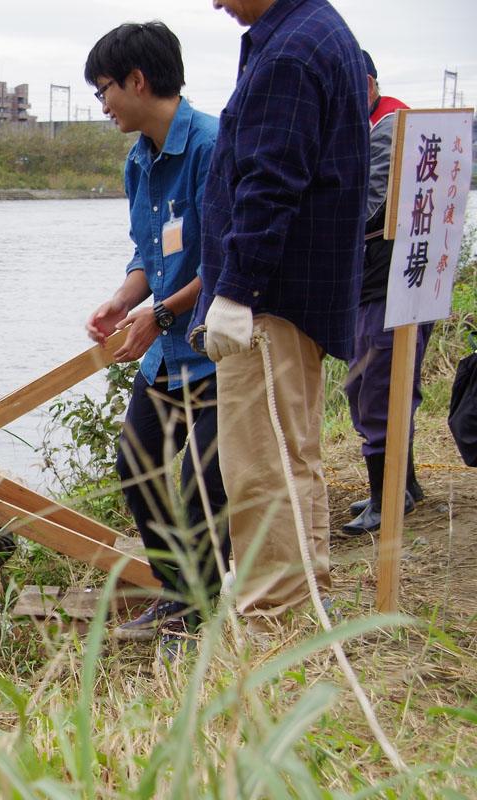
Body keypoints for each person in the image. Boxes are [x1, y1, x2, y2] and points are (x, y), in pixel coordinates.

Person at [190, 0, 369, 636]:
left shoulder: (292, 50)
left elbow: (269, 183)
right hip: (297, 292)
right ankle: (303, 589)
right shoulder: (313, 32)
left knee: (259, 462)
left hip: (272, 296)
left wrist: (236, 291)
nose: (214, 3)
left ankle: (272, 615)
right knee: (291, 451)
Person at [82, 22, 229, 654]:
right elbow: (151, 255)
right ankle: (178, 594)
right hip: (168, 356)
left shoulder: (214, 146)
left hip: (221, 350)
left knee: (203, 486)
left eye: (105, 89)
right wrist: (121, 301)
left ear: (139, 81)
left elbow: (226, 259)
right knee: (136, 465)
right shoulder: (138, 160)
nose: (103, 103)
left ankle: (195, 615)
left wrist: (161, 315)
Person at [341, 50, 428, 535]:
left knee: (375, 388)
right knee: (381, 387)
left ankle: (386, 499)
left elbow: (372, 208)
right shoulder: (377, 121)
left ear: (367, 84)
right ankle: (403, 487)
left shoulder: (387, 127)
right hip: (390, 279)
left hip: (389, 280)